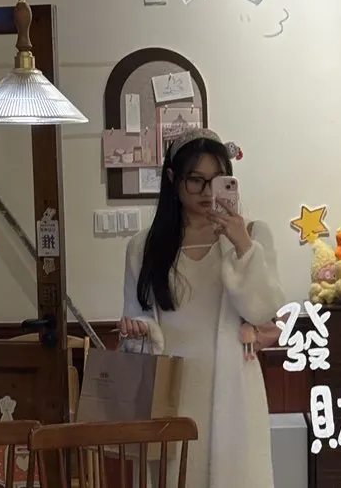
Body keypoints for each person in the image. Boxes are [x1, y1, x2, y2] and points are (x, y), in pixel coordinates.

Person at [118, 128, 285, 488]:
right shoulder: (143, 247)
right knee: (174, 476)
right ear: (173, 179)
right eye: (196, 181)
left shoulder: (253, 234)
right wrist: (138, 330)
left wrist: (242, 245)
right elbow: (139, 318)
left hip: (233, 387)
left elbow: (262, 311)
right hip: (169, 393)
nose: (208, 192)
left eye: (218, 180)